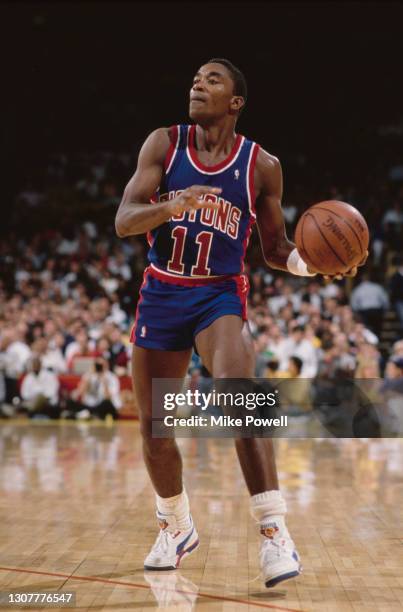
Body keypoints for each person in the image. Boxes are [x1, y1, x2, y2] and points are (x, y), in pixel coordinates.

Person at [115, 58, 366, 587]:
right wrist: (173, 205)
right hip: (162, 291)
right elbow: (124, 220)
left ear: (236, 101)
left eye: (212, 79)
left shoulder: (261, 165)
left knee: (240, 394)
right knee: (156, 431)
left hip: (218, 296)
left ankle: (274, 533)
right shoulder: (164, 143)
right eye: (194, 78)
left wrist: (312, 263)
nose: (196, 84)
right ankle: (176, 525)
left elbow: (275, 248)